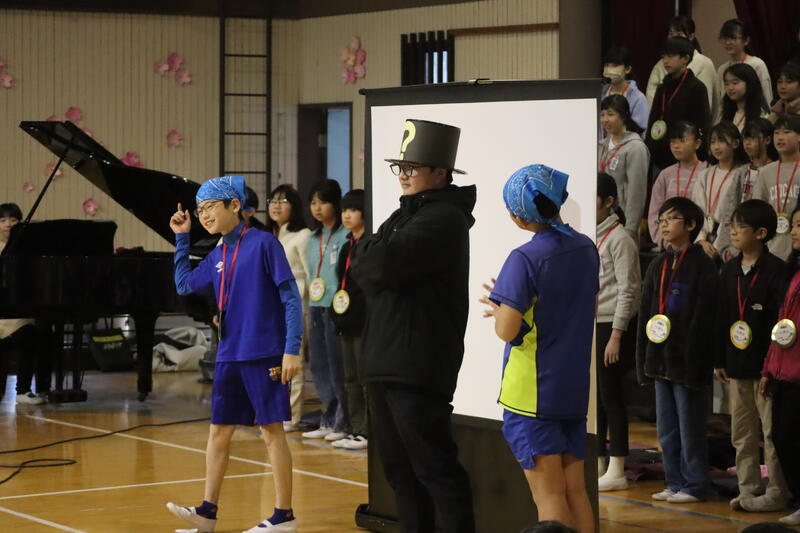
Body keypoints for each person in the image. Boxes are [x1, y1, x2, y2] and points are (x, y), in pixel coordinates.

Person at [352, 119, 477, 533]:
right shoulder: (403, 215)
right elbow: (363, 264)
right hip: (385, 362)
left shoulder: (443, 218)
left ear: (440, 173)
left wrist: (372, 254)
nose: (403, 175)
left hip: (417, 365)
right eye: (400, 167)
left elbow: (378, 264)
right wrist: (371, 255)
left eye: (412, 167)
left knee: (435, 471)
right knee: (400, 474)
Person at [165, 176, 302, 533]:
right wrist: (182, 238)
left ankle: (284, 515)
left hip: (264, 353)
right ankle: (207, 512)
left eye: (210, 207)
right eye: (200, 210)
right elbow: (184, 285)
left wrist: (291, 349)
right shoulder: (218, 253)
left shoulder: (264, 243)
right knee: (219, 432)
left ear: (235, 205)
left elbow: (291, 298)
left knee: (271, 431)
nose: (204, 215)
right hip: (229, 354)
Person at [481, 164, 598, 533]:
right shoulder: (586, 248)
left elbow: (506, 330)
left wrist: (500, 309)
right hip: (572, 388)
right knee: (576, 491)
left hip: (532, 394)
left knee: (548, 496)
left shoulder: (524, 258)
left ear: (518, 216)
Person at [637, 197, 717, 503]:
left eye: (671, 219)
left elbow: (705, 316)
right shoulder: (658, 264)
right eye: (661, 220)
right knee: (667, 428)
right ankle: (674, 481)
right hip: (660, 359)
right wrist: (644, 359)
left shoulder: (702, 265)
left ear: (691, 225)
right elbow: (646, 314)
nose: (664, 225)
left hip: (687, 362)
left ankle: (695, 484)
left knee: (690, 427)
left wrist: (698, 360)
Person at [714, 199, 789, 513]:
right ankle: (747, 488)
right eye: (732, 225)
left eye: (741, 227)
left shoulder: (777, 271)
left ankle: (777, 492)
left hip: (766, 367)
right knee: (741, 433)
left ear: (761, 233)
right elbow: (722, 317)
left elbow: (781, 324)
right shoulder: (729, 269)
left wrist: (772, 367)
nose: (733, 231)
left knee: (771, 434)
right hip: (736, 365)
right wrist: (720, 359)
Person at [595, 173, 641, 492]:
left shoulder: (620, 238)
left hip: (612, 325)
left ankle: (618, 466)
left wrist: (616, 334)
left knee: (612, 397)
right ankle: (598, 460)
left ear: (609, 201)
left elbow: (629, 290)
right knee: (595, 400)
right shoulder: (592, 235)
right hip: (593, 323)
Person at [759, 205, 800, 526]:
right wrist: (768, 369)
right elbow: (782, 325)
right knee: (782, 438)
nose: (794, 231)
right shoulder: (793, 271)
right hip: (783, 372)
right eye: (795, 225)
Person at [301, 179, 350, 442]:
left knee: (337, 365)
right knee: (318, 364)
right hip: (315, 305)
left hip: (337, 306)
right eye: (313, 203)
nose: (317, 208)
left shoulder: (345, 235)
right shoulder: (312, 238)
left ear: (336, 204)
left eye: (323, 202)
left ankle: (343, 422)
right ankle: (328, 418)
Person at [266, 184, 311, 432]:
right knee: (277, 360)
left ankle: (291, 416)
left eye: (283, 201)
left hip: (298, 304)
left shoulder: (303, 235)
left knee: (294, 359)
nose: (276, 205)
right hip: (275, 306)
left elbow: (311, 274)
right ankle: (277, 411)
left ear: (294, 206)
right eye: (273, 201)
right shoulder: (273, 236)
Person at [0, 202, 51, 404]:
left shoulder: (28, 252)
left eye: (13, 220)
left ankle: (24, 390)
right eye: (2, 220)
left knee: (36, 331)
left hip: (20, 314)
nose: (8, 224)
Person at [330, 189, 368, 450]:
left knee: (365, 378)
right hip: (346, 319)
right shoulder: (346, 246)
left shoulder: (369, 244)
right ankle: (355, 428)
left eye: (352, 210)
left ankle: (367, 430)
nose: (346, 215)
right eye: (344, 210)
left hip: (364, 320)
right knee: (350, 378)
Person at [646, 37, 711, 176]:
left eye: (670, 56)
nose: (665, 61)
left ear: (685, 59)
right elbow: (653, 120)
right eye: (663, 56)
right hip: (659, 155)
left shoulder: (696, 87)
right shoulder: (662, 88)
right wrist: (650, 147)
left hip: (685, 156)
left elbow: (702, 125)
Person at [691, 121, 749, 261]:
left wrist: (720, 246)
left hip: (730, 241)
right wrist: (701, 240)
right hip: (704, 242)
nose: (716, 146)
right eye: (713, 141)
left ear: (736, 143)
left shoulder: (743, 174)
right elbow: (697, 208)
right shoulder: (705, 175)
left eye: (721, 141)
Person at [598, 94, 650, 241]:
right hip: (600, 221)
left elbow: (637, 192)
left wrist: (630, 229)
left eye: (610, 114)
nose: (605, 119)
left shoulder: (636, 148)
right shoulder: (601, 146)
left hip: (623, 223)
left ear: (623, 116)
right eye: (602, 115)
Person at [648, 121, 707, 245]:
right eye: (672, 141)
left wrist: (700, 239)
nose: (675, 146)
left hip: (699, 242)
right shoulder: (665, 175)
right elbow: (654, 212)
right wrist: (663, 241)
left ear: (697, 143)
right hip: (670, 243)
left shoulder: (707, 172)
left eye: (682, 140)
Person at [753, 115, 800, 260]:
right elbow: (758, 210)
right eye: (776, 133)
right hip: (772, 248)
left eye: (786, 132)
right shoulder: (765, 172)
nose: (780, 137)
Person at [646, 16, 717, 112]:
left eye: (679, 34)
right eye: (671, 34)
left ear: (691, 37)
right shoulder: (661, 64)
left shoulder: (704, 63)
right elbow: (651, 99)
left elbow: (705, 104)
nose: (674, 38)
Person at [715, 19, 773, 122]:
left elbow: (766, 97)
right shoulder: (722, 69)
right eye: (725, 38)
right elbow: (722, 101)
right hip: (732, 119)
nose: (728, 42)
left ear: (746, 41)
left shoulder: (757, 64)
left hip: (755, 118)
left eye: (733, 38)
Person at [600, 45, 649, 136]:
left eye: (615, 65)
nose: (609, 69)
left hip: (625, 144)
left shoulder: (638, 98)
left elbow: (641, 133)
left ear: (627, 69)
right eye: (607, 65)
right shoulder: (599, 94)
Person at [720, 63, 770, 132]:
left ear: (749, 83)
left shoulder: (761, 114)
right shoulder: (726, 113)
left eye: (735, 83)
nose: (730, 88)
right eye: (726, 84)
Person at [742, 118, 778, 201]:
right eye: (745, 138)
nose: (747, 143)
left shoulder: (775, 170)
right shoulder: (742, 171)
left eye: (753, 138)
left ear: (767, 140)